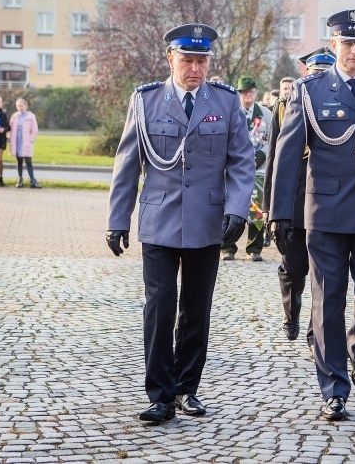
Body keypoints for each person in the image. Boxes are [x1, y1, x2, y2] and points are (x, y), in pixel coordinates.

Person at [105, 23, 256, 423]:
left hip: (208, 221)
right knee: (159, 306)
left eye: (201, 60)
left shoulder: (224, 103)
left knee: (196, 307)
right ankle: (159, 394)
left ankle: (188, 387)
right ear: (170, 58)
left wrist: (238, 210)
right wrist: (117, 219)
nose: (194, 67)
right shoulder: (146, 101)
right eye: (187, 59)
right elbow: (127, 164)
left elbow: (243, 161)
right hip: (159, 219)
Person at [270, 9, 355, 421]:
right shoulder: (309, 91)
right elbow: (287, 154)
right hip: (326, 213)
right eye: (348, 44)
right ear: (334, 46)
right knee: (328, 300)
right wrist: (279, 214)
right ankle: (333, 388)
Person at [263, 47, 336, 351]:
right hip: (293, 200)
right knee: (292, 267)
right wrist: (270, 210)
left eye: (325, 73)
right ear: (306, 73)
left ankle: (313, 329)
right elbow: (273, 160)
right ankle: (291, 315)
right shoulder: (285, 105)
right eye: (315, 72)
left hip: (327, 202)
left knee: (324, 271)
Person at [221, 76, 272, 262]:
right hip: (234, 168)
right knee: (228, 205)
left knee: (257, 209)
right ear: (239, 94)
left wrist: (259, 158)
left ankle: (254, 247)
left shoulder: (265, 114)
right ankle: (227, 246)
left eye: (250, 92)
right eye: (244, 93)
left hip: (258, 167)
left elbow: (271, 140)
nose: (247, 96)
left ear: (255, 93)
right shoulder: (230, 112)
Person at [9, 98, 41, 189]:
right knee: (19, 161)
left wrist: (31, 140)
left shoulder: (31, 117)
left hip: (26, 142)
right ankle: (20, 180)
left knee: (28, 161)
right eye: (18, 106)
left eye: (21, 105)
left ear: (25, 106)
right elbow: (11, 128)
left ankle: (32, 180)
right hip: (17, 141)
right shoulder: (15, 116)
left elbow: (34, 130)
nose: (20, 107)